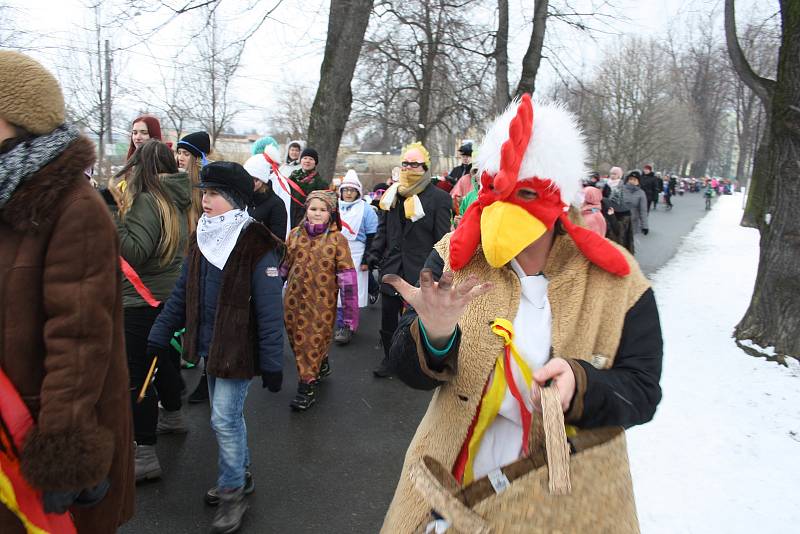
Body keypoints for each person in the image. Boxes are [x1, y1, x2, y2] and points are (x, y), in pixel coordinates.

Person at [379, 95, 662, 533]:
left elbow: (642, 392)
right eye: (495, 190)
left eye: (526, 194)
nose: (504, 211)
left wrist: (582, 384)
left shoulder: (618, 282)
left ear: (558, 201)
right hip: (451, 482)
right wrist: (433, 336)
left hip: (562, 502)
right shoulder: (455, 259)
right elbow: (409, 371)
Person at [0, 50, 134, 534]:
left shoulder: (73, 207)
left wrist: (64, 446)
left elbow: (79, 338)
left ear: (16, 119)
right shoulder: (5, 192)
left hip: (34, 434)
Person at [148, 161, 284, 534]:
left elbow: (271, 311)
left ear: (235, 199)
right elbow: (182, 292)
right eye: (203, 193)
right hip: (210, 346)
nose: (204, 200)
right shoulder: (203, 235)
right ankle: (240, 473)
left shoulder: (257, 243)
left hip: (238, 350)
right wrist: (162, 332)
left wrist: (273, 362)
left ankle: (231, 493)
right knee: (228, 418)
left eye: (213, 194)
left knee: (223, 419)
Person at [112, 139, 191, 482]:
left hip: (141, 300)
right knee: (163, 360)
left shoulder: (147, 200)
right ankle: (172, 415)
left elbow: (135, 251)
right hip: (167, 296)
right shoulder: (178, 197)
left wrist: (115, 218)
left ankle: (144, 452)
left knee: (136, 375)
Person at [368, 142, 452, 377]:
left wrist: (440, 270)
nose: (409, 168)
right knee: (387, 319)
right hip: (393, 267)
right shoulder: (391, 195)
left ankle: (418, 360)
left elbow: (443, 238)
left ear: (425, 167)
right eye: (405, 163)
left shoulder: (440, 199)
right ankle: (389, 358)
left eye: (415, 164)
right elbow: (383, 231)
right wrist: (374, 254)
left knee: (419, 321)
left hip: (422, 270)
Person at [282, 191, 358, 410]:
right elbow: (285, 266)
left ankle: (306, 386)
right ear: (306, 210)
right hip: (293, 303)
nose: (317, 214)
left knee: (311, 340)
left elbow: (348, 280)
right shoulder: (295, 234)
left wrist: (350, 317)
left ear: (331, 213)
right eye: (313, 209)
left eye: (322, 210)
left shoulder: (337, 240)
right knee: (297, 340)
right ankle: (321, 361)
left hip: (321, 305)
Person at [334, 170, 379, 345]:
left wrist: (368, 260)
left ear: (358, 192)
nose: (348, 193)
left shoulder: (366, 210)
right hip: (337, 253)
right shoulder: (334, 207)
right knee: (337, 292)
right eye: (345, 190)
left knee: (351, 293)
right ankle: (340, 323)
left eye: (352, 190)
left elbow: (372, 236)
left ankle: (348, 326)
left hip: (357, 253)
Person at [243, 145, 289, 239]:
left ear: (263, 181)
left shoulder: (276, 204)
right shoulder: (242, 198)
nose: (251, 183)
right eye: (248, 179)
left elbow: (277, 239)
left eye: (256, 180)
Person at [176, 131, 211, 233]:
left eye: (186, 154)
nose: (180, 158)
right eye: (179, 153)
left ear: (197, 158)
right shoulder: (174, 180)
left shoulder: (205, 186)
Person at [289, 147, 328, 227]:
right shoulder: (292, 178)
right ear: (301, 160)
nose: (307, 161)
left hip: (309, 221)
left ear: (315, 162)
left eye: (311, 159)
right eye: (305, 158)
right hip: (290, 217)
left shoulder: (320, 183)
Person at [606, 166, 635, 253]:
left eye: (615, 174)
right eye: (611, 173)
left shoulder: (622, 186)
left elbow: (623, 200)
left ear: (619, 175)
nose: (612, 175)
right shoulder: (606, 184)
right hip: (607, 209)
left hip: (618, 211)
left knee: (618, 232)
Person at [622, 170, 649, 236]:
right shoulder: (620, 189)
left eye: (635, 180)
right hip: (620, 220)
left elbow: (643, 210)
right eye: (631, 179)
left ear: (638, 182)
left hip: (633, 222)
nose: (632, 181)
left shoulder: (641, 193)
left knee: (629, 243)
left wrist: (645, 226)